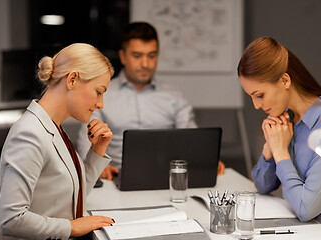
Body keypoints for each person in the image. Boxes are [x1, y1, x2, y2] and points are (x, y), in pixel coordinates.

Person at [0, 43, 116, 239]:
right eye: (98, 91)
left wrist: (97, 151)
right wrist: (71, 228)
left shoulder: (54, 128)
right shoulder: (30, 134)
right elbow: (10, 219)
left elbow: (74, 197)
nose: (100, 104)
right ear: (72, 79)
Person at [77, 22, 225, 179]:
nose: (145, 64)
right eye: (137, 56)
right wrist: (96, 165)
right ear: (123, 56)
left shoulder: (174, 96)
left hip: (165, 178)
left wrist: (204, 159)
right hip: (115, 177)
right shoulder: (102, 94)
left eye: (151, 55)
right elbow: (86, 142)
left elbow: (191, 139)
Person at [237, 36, 321, 232]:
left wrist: (281, 151)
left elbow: (305, 208)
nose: (256, 105)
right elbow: (263, 185)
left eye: (259, 95)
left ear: (284, 80)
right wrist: (270, 148)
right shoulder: (286, 119)